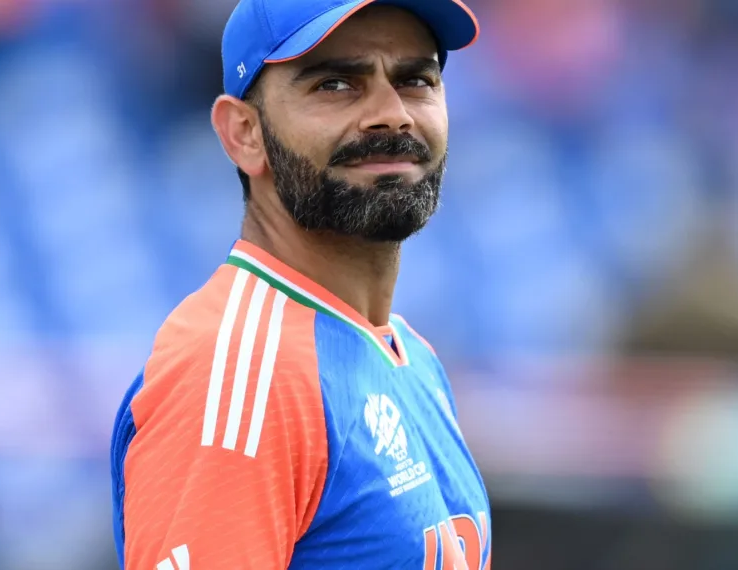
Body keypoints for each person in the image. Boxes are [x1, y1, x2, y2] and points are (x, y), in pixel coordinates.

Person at [110, 0, 489, 568]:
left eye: (415, 80)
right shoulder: (238, 374)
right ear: (244, 134)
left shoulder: (411, 354)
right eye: (335, 84)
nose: (392, 114)